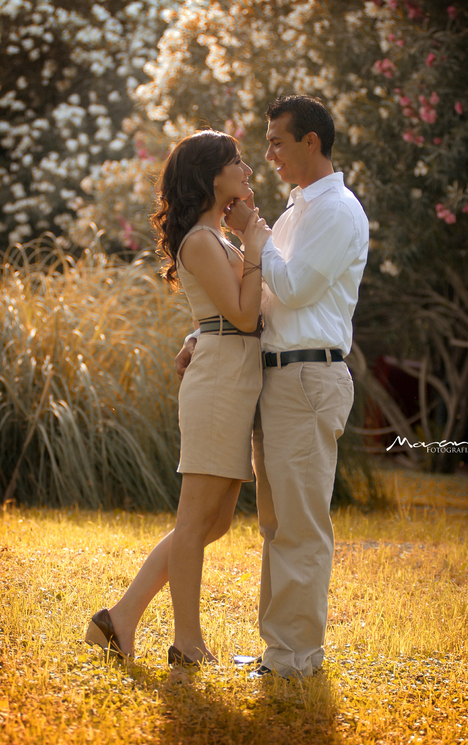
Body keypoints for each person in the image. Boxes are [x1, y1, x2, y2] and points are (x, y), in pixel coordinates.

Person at [176, 95, 369, 678]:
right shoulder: (290, 215)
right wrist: (197, 333)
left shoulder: (336, 211)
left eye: (278, 142)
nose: (269, 155)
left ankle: (297, 658)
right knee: (278, 523)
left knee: (301, 523)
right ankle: (281, 653)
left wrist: (254, 240)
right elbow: (255, 299)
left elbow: (295, 288)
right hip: (278, 376)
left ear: (312, 141)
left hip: (310, 375)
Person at [85, 130, 271, 666]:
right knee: (195, 523)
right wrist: (255, 247)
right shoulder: (199, 239)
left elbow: (236, 311)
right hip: (218, 382)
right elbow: (239, 314)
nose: (248, 169)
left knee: (215, 523)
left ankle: (118, 619)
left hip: (233, 377)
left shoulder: (219, 237)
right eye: (237, 161)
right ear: (212, 175)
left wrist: (248, 237)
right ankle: (187, 643)